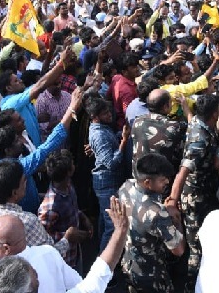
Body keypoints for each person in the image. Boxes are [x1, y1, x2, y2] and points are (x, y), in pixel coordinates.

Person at [0, 196, 128, 293]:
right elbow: (91, 283)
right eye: (35, 276)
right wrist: (120, 231)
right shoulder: (47, 253)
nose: (36, 273)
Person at [0, 88, 83, 214]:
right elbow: (48, 146)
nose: (20, 143)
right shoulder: (16, 168)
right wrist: (71, 109)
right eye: (16, 142)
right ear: (7, 150)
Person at [167, 94, 219, 291]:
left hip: (204, 193)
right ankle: (191, 287)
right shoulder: (200, 140)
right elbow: (183, 172)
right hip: (196, 198)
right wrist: (173, 201)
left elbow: (192, 120)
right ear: (215, 113)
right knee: (197, 248)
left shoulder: (197, 122)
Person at [117, 153, 185, 292]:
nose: (167, 182)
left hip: (129, 264)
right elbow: (178, 250)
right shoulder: (158, 213)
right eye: (162, 180)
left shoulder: (126, 187)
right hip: (151, 275)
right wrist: (177, 221)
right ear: (147, 182)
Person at [0, 48, 74, 147]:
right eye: (16, 81)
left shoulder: (20, 95)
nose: (20, 81)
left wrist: (36, 119)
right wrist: (60, 64)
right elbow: (40, 85)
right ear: (8, 88)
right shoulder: (11, 103)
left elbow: (43, 80)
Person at [86, 96, 130, 251]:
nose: (109, 115)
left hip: (106, 182)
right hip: (107, 182)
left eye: (108, 111)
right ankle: (105, 261)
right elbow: (111, 163)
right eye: (105, 113)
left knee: (105, 220)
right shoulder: (99, 135)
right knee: (111, 226)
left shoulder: (103, 128)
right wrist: (123, 142)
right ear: (95, 117)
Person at [38, 149, 92, 270]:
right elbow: (42, 240)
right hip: (63, 261)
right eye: (72, 163)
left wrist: (83, 217)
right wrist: (68, 236)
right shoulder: (49, 208)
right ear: (69, 171)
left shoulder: (68, 185)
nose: (74, 165)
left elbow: (72, 207)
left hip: (75, 252)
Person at [131, 88, 188, 175]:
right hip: (161, 179)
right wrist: (186, 109)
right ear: (165, 107)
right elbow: (194, 130)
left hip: (140, 175)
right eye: (170, 102)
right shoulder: (173, 126)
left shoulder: (137, 121)